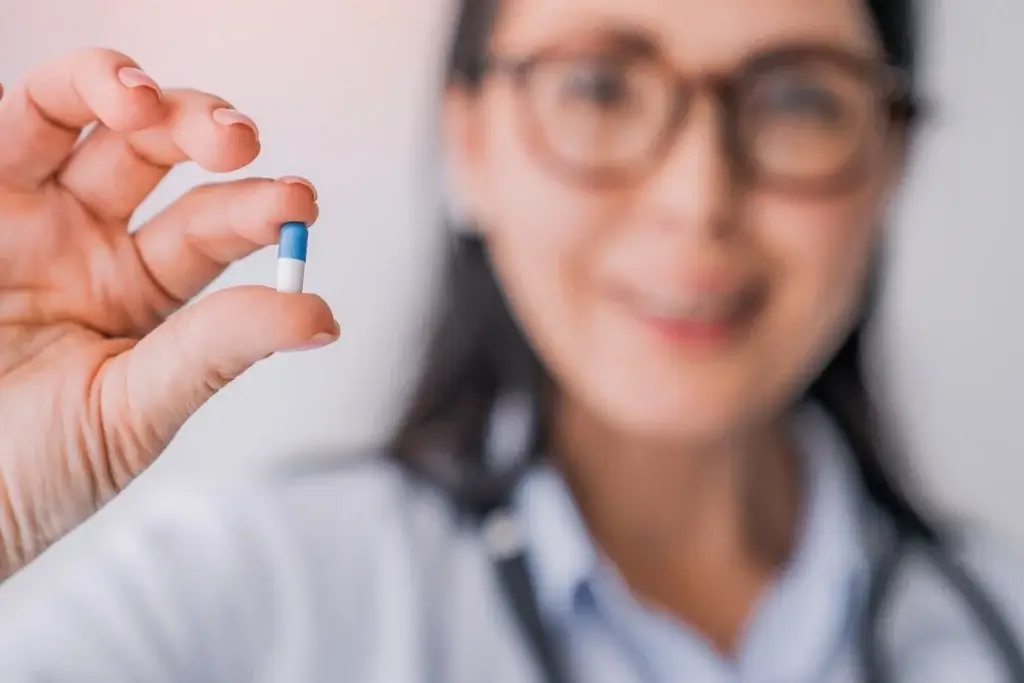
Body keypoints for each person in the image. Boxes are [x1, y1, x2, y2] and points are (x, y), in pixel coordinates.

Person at [0, 0, 1022, 681]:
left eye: (798, 97)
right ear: (468, 142)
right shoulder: (242, 592)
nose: (696, 200)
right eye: (598, 87)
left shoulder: (994, 624)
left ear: (887, 156)